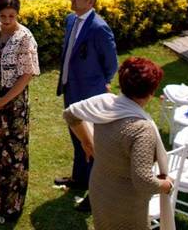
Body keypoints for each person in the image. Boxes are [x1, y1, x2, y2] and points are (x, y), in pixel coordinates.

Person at [63, 57, 175, 230]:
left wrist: (87, 142)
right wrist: (167, 185)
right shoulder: (141, 129)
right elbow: (143, 181)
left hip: (99, 188)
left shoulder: (105, 103)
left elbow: (70, 114)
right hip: (125, 204)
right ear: (151, 92)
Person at [55, 0, 117, 212]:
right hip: (71, 89)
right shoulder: (71, 20)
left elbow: (111, 64)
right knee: (77, 139)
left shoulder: (99, 28)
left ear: (90, 1)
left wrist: (102, 84)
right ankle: (79, 179)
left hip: (90, 95)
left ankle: (95, 193)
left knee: (92, 143)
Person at [0, 0, 40, 222]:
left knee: (15, 153)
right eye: (2, 16)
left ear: (17, 14)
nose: (6, 20)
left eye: (11, 16)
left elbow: (27, 75)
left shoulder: (25, 37)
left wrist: (5, 100)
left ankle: (13, 204)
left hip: (15, 105)